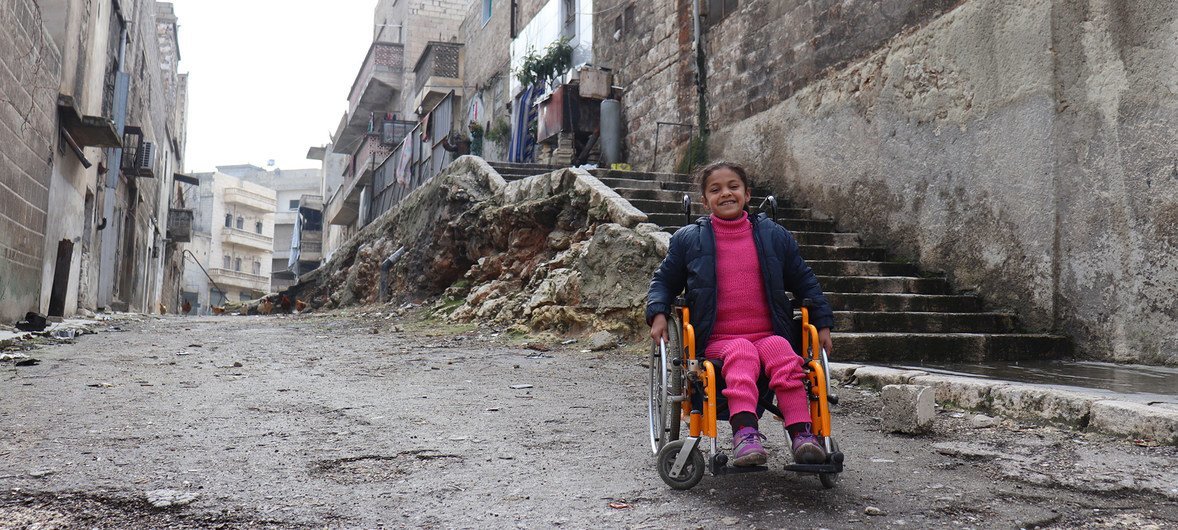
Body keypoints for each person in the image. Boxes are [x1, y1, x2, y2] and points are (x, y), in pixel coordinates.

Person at [646, 161, 835, 467]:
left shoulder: (774, 236)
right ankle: (745, 435)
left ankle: (803, 435)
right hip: (719, 338)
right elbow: (664, 282)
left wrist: (823, 322)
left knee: (786, 356)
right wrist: (657, 313)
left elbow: (805, 281)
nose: (726, 194)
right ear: (705, 201)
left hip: (768, 332)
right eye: (715, 189)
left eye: (733, 187)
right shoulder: (688, 239)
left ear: (748, 194)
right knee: (742, 352)